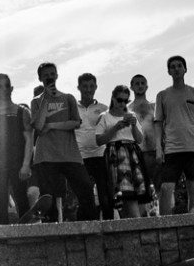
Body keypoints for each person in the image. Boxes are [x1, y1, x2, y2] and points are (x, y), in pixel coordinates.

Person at [24, 63, 97, 222]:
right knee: (48, 198)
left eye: (52, 74)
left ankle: (88, 226)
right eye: (46, 75)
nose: (49, 77)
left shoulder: (68, 98)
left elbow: (75, 123)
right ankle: (52, 231)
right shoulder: (36, 101)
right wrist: (46, 101)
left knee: (85, 189)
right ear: (40, 78)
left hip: (70, 154)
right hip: (46, 156)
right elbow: (38, 126)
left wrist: (52, 125)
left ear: (57, 75)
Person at [154, 55, 194, 215]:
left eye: (179, 66)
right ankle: (165, 223)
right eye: (173, 66)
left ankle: (192, 220)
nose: (176, 69)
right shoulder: (162, 95)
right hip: (172, 148)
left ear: (185, 69)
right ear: (168, 71)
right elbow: (158, 123)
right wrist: (158, 147)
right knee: (166, 187)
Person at [0, 73, 33, 224]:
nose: (4, 89)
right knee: (1, 204)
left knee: (22, 200)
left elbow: (29, 140)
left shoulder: (23, 112)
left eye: (6, 86)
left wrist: (25, 165)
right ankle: (3, 238)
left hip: (18, 164)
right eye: (0, 87)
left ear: (11, 88)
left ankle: (26, 234)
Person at [97, 85, 152, 219]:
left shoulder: (131, 116)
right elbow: (99, 140)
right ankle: (135, 221)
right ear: (113, 98)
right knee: (123, 193)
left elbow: (139, 139)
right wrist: (116, 127)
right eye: (119, 100)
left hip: (132, 153)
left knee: (135, 192)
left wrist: (133, 125)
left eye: (125, 101)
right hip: (115, 153)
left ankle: (135, 221)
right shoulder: (104, 117)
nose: (122, 103)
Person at [76, 73, 116, 220]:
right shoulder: (72, 107)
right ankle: (84, 228)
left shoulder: (104, 108)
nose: (88, 90)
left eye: (91, 86)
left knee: (105, 194)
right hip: (80, 157)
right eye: (85, 86)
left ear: (96, 87)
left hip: (101, 154)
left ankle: (109, 227)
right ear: (79, 87)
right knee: (84, 195)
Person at [129, 74, 160, 211]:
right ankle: (143, 218)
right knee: (140, 189)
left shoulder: (154, 107)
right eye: (137, 83)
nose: (140, 86)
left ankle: (164, 215)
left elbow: (161, 129)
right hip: (137, 153)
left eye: (142, 83)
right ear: (132, 87)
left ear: (147, 86)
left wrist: (161, 148)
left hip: (155, 151)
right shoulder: (128, 109)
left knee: (161, 186)